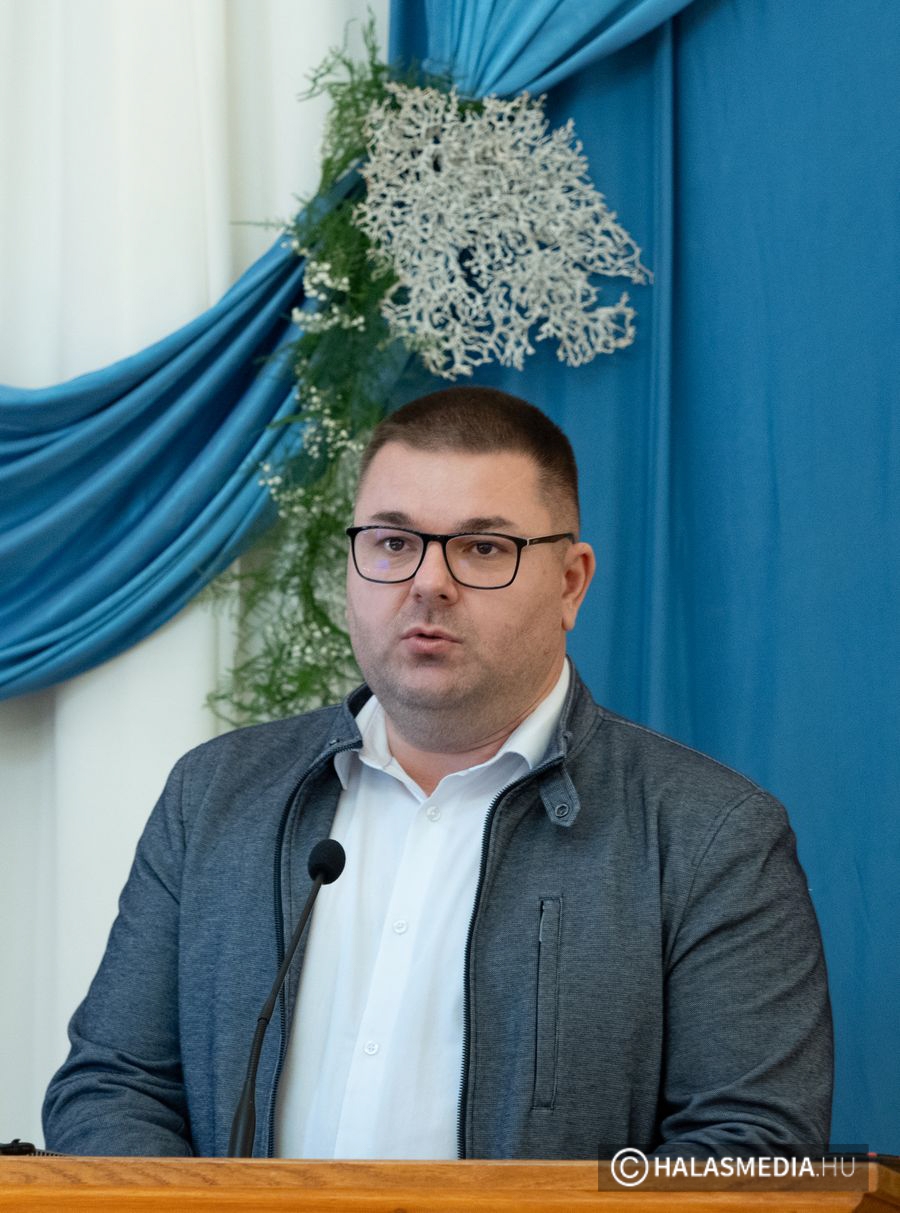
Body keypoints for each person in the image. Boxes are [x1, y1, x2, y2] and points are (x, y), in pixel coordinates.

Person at [43, 386, 833, 1160]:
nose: (428, 582)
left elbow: (750, 1149)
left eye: (483, 548)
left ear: (570, 582)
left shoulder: (710, 836)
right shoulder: (214, 794)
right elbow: (114, 1085)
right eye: (393, 542)